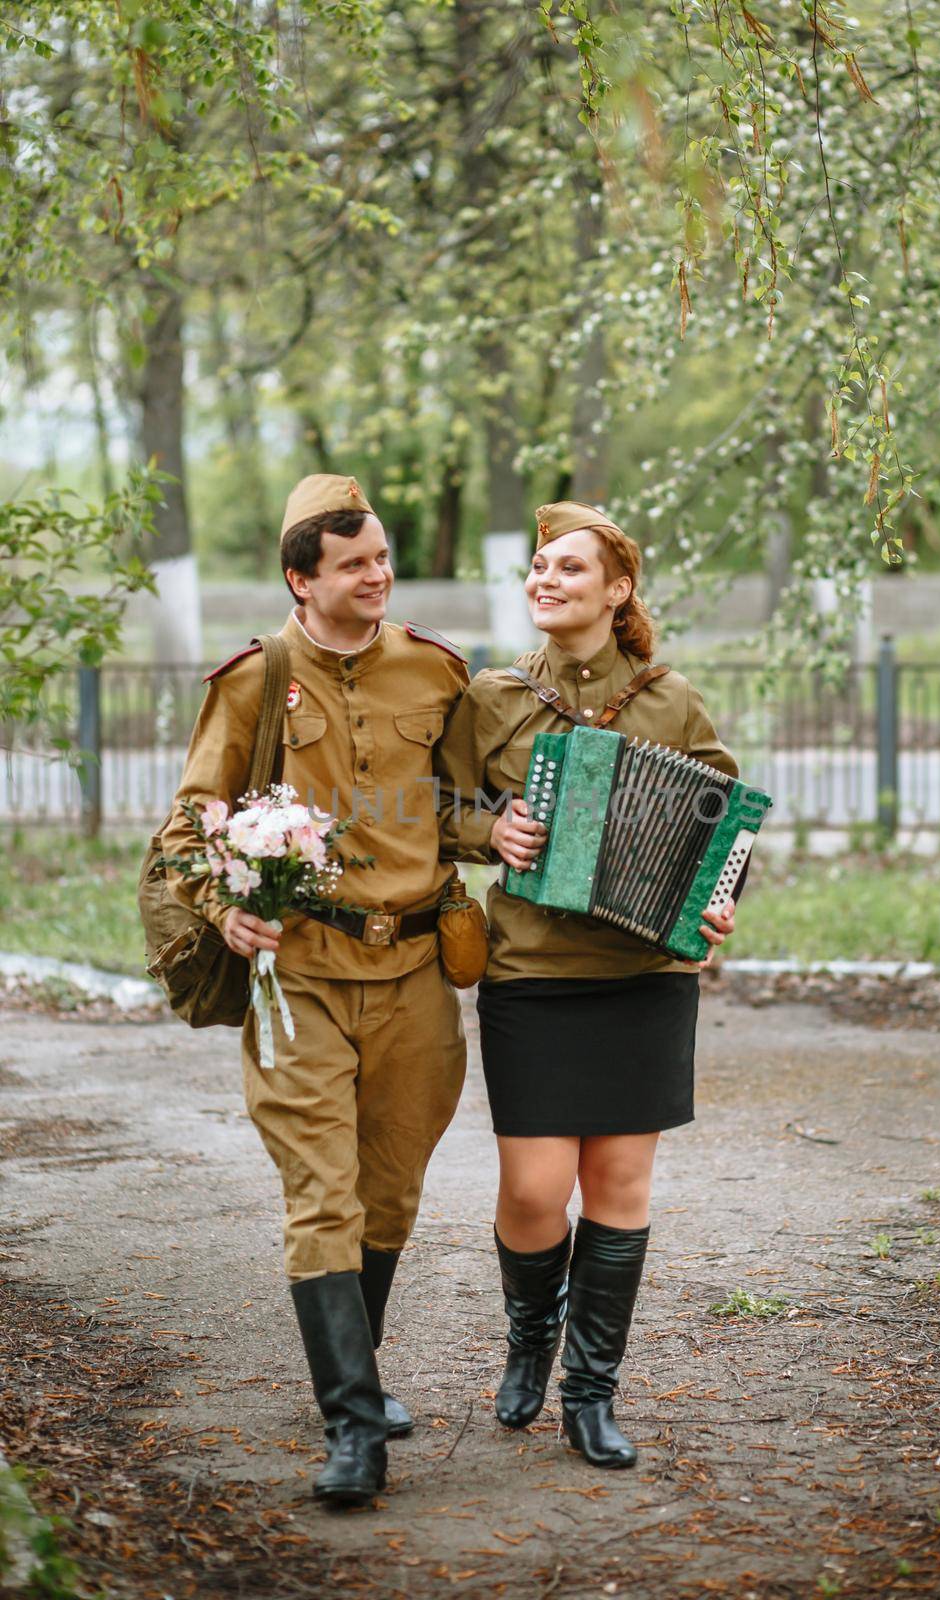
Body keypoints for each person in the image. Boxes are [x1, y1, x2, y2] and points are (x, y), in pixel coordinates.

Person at [161, 473, 469, 1507]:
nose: (376, 575)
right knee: (322, 1196)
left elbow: (464, 810)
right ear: (302, 578)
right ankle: (351, 1426)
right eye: (353, 564)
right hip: (300, 978)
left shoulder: (434, 670)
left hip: (418, 975)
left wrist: (506, 828)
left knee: (388, 1193)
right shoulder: (256, 681)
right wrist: (224, 906)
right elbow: (187, 827)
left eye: (381, 558)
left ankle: (358, 1381)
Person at [434, 500, 738, 1470]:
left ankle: (589, 1391)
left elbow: (722, 824)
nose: (545, 579)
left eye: (568, 567)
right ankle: (531, 1335)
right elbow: (434, 804)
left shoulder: (669, 700)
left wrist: (718, 898)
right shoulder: (492, 697)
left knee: (617, 1183)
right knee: (532, 1191)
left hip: (642, 974)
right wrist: (492, 832)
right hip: (531, 971)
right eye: (536, 566)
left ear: (617, 591)